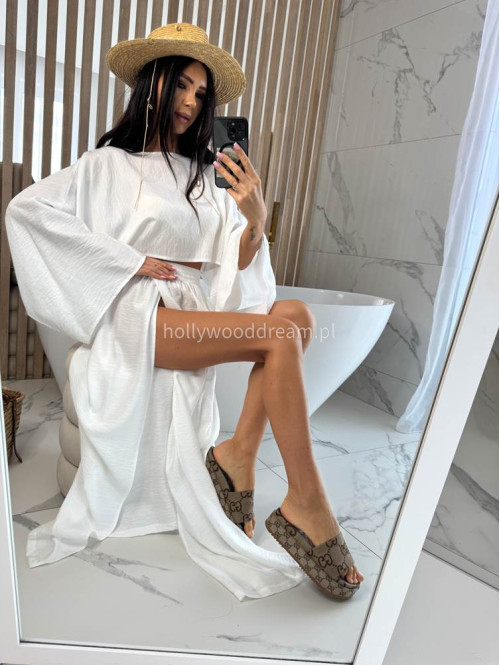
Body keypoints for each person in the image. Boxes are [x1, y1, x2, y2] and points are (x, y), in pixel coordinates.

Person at [5, 22, 363, 601]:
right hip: (140, 313)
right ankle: (307, 505)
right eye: (180, 85)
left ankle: (236, 459)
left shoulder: (206, 177)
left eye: (200, 93)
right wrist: (127, 261)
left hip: (195, 305)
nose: (191, 102)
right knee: (277, 337)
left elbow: (231, 268)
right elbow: (26, 212)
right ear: (152, 83)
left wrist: (255, 220)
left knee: (296, 317)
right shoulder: (105, 165)